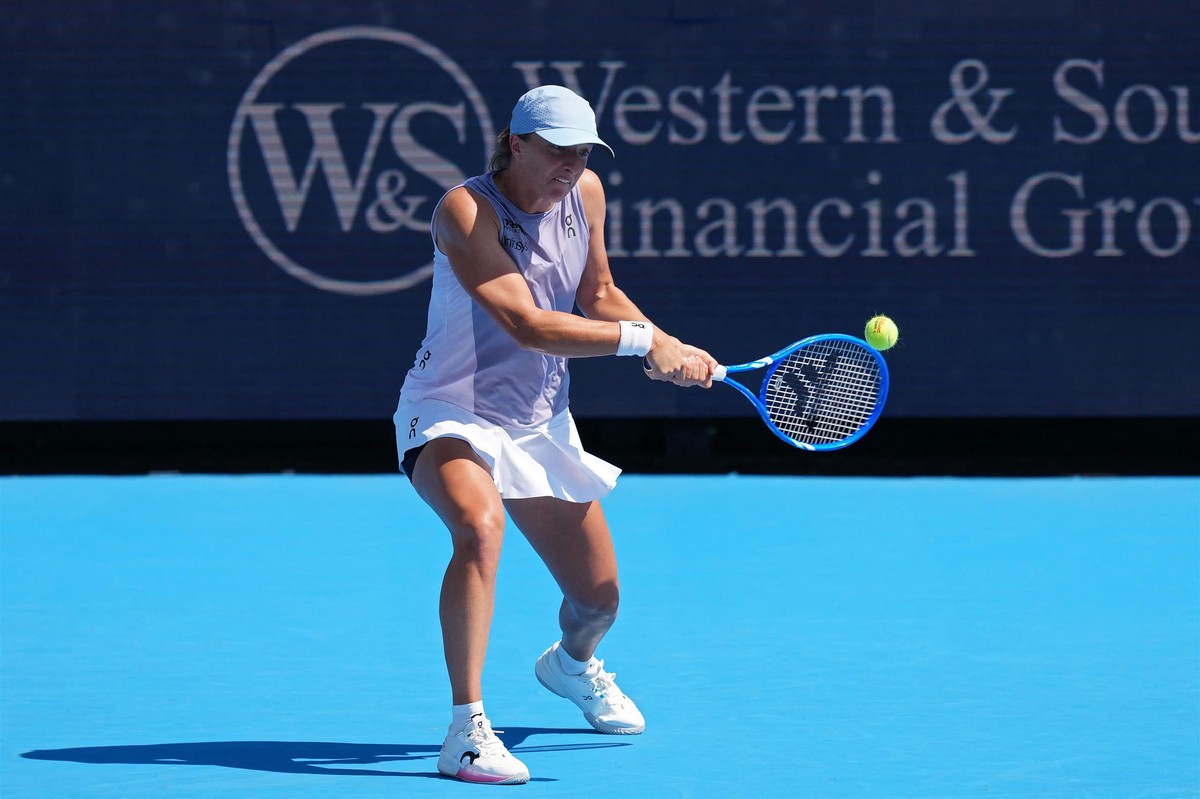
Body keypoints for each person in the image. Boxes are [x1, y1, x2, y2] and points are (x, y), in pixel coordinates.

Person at [393, 84, 716, 785]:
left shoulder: (587, 195)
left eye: (582, 153)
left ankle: (569, 665)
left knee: (599, 600)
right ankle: (467, 730)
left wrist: (670, 344)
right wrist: (639, 344)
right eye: (557, 152)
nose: (570, 167)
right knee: (479, 528)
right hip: (450, 412)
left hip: (539, 423)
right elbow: (527, 322)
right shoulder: (465, 209)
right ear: (516, 143)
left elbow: (597, 296)